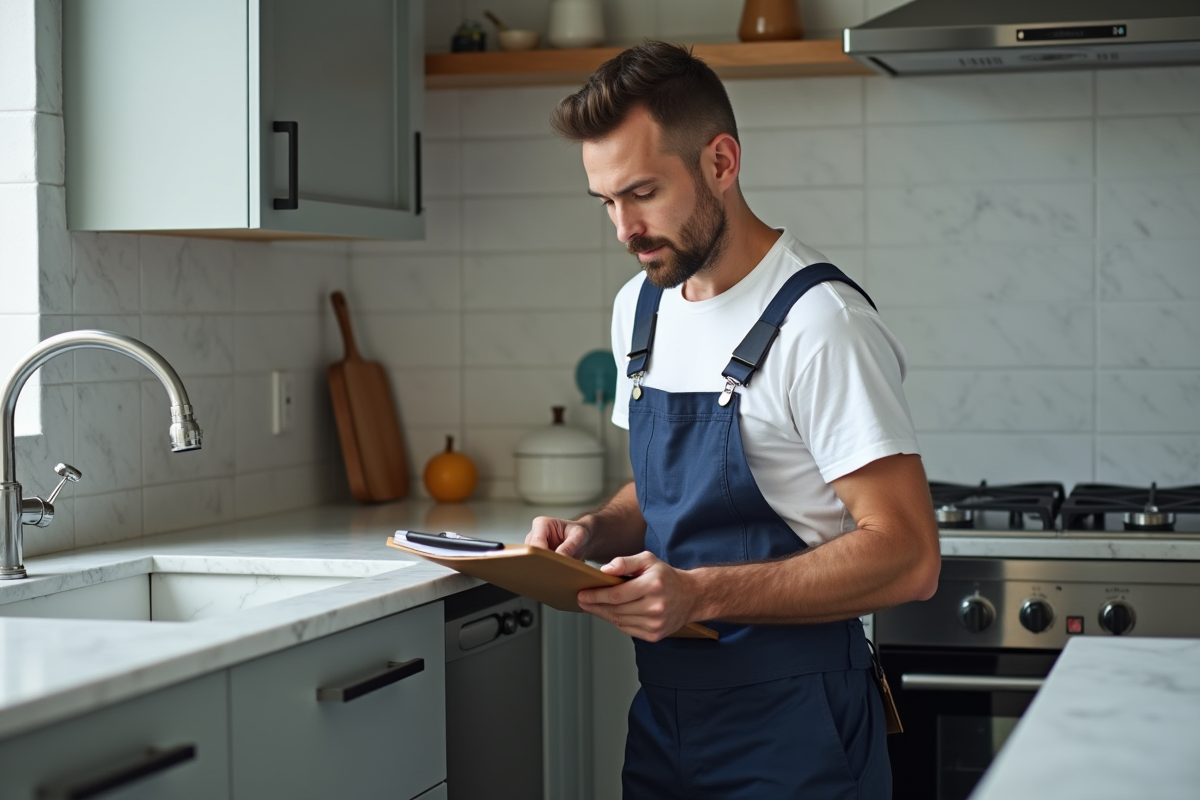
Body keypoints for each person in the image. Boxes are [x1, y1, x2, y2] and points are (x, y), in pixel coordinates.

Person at [526, 41, 941, 799]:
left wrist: (701, 594)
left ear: (721, 162)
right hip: (665, 718)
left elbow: (911, 556)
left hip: (799, 726)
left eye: (644, 192)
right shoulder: (639, 307)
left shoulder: (822, 323)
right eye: (607, 202)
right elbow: (661, 493)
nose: (624, 228)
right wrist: (591, 531)